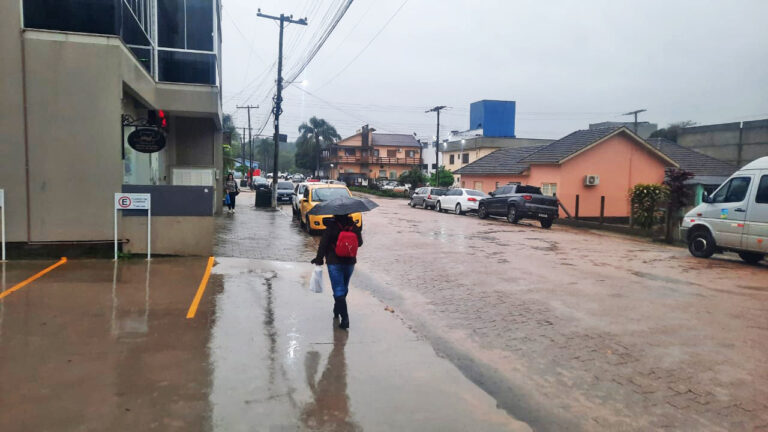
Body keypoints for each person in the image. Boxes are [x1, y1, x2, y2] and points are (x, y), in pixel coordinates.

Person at [311, 214, 363, 329]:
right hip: (350, 262)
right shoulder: (353, 226)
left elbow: (323, 244)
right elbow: (360, 243)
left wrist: (319, 259)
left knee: (338, 289)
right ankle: (337, 308)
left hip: (334, 262)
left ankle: (345, 319)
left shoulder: (331, 226)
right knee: (343, 287)